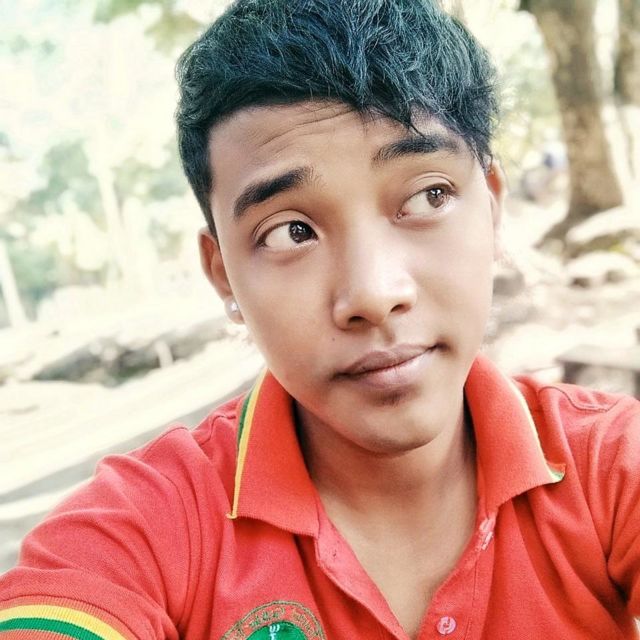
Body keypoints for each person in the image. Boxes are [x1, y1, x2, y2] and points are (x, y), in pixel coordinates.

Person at [1, 0, 639, 638]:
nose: (373, 293)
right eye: (291, 231)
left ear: (493, 209)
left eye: (428, 195)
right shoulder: (148, 528)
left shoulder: (609, 468)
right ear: (222, 273)